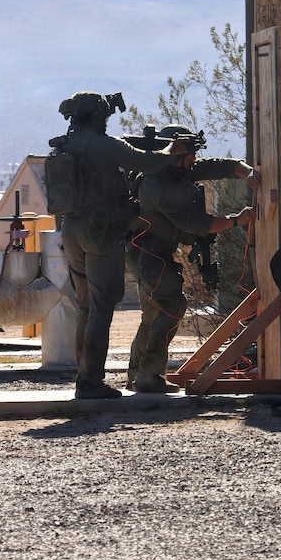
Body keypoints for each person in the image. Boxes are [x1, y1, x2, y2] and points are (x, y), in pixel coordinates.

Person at [57, 91, 187, 400]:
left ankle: (84, 378)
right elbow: (148, 162)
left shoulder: (68, 145)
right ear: (97, 117)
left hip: (70, 229)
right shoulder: (103, 145)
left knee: (86, 307)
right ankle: (91, 382)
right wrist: (172, 149)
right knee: (101, 307)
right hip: (99, 232)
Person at [127, 125, 261, 393]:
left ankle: (137, 375)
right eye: (189, 154)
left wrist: (247, 171)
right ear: (173, 155)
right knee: (171, 305)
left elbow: (220, 166)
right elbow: (195, 224)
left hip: (151, 254)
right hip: (147, 255)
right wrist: (237, 220)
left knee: (153, 315)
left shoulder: (176, 170)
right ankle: (149, 375)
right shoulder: (155, 182)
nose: (194, 159)